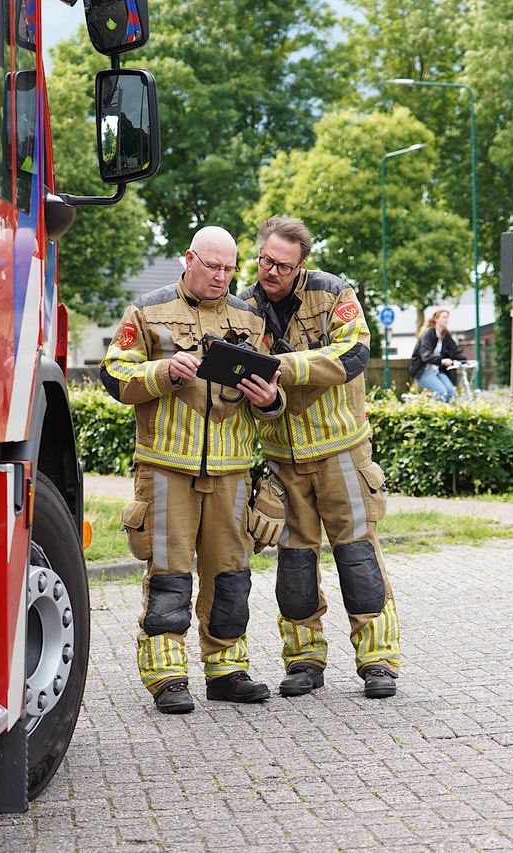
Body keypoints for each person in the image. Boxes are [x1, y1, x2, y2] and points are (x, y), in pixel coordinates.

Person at [100, 226, 286, 714]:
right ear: (190, 259)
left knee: (231, 576)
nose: (223, 277)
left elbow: (273, 385)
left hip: (231, 472)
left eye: (231, 268)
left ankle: (226, 670)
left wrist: (271, 401)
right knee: (170, 576)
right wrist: (162, 373)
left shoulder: (250, 316)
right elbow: (115, 376)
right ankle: (167, 676)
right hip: (166, 470)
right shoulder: (147, 311)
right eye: (214, 266)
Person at [240, 216, 401, 700]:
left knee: (358, 558)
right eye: (266, 260)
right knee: (294, 566)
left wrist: (283, 368)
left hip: (341, 454)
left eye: (283, 266)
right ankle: (304, 661)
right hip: (283, 461)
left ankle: (378, 662)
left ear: (301, 266)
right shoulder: (243, 306)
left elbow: (353, 353)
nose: (271, 272)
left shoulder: (334, 293)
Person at [408, 308, 465, 402]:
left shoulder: (445, 335)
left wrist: (465, 361)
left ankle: (449, 415)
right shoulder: (429, 333)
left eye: (447, 317)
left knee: (452, 393)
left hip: (436, 370)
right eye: (444, 317)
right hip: (423, 371)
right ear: (436, 319)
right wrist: (442, 361)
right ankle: (434, 413)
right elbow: (425, 355)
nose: (446, 320)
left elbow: (454, 351)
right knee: (441, 392)